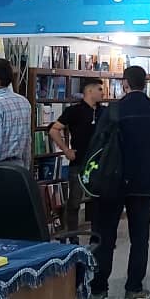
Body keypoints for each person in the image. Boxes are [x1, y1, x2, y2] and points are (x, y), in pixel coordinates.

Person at [91, 66, 150, 299]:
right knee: (140, 237)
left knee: (105, 236)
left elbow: (97, 145)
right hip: (144, 183)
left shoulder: (113, 111)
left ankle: (99, 288)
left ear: (125, 83)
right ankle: (134, 287)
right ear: (145, 84)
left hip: (112, 182)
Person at [48, 77, 104, 241]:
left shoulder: (104, 112)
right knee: (74, 203)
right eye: (99, 89)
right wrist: (66, 150)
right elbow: (54, 130)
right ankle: (73, 238)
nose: (103, 93)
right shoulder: (74, 111)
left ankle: (97, 238)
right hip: (79, 162)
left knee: (99, 202)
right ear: (89, 90)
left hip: (99, 163)